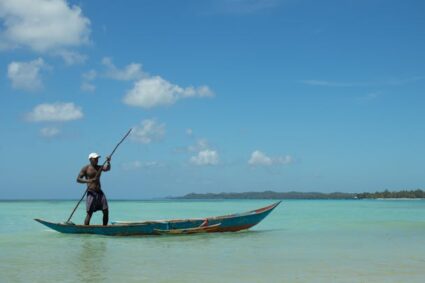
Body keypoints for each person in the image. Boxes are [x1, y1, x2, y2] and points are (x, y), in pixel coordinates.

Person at [77, 152, 111, 226]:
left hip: (99, 192)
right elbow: (78, 179)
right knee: (89, 213)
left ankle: (105, 228)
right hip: (91, 193)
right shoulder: (86, 168)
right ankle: (86, 229)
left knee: (106, 210)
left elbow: (107, 168)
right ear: (90, 159)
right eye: (95, 159)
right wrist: (89, 181)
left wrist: (108, 162)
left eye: (97, 158)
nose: (97, 160)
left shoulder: (99, 167)